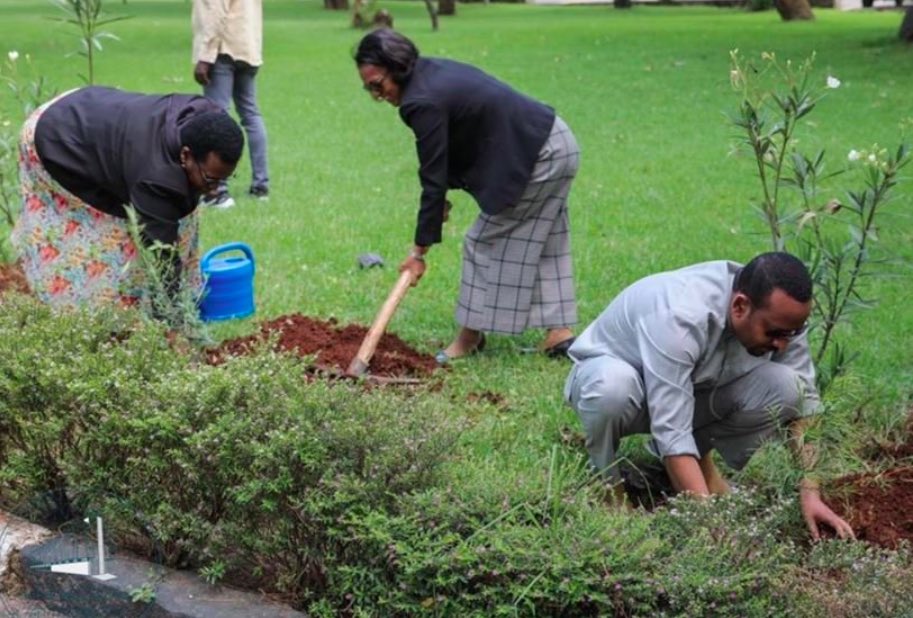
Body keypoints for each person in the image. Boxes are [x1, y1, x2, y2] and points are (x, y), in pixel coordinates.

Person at [564, 253, 855, 541]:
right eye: (775, 333)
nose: (781, 345)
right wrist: (713, 528)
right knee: (612, 389)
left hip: (684, 391)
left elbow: (807, 405)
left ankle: (697, 464)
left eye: (792, 333)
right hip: (617, 385)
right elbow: (672, 432)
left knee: (788, 387)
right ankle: (607, 483)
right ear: (740, 306)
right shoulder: (680, 316)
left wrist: (811, 494)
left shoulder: (780, 318)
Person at [354, 29, 580, 363]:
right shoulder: (427, 74)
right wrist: (441, 196)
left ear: (397, 68)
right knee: (546, 235)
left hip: (539, 155)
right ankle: (559, 333)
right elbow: (449, 147)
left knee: (481, 241)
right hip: (555, 138)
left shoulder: (421, 101)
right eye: (368, 88)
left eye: (377, 84)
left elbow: (431, 178)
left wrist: (418, 252)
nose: (377, 95)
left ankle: (469, 338)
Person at [13, 86, 243, 309]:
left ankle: (159, 306)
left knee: (169, 221)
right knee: (110, 234)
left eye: (224, 180)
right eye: (211, 180)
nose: (215, 191)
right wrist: (173, 321)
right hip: (56, 137)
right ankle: (78, 309)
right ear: (186, 155)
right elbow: (161, 254)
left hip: (89, 108)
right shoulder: (155, 175)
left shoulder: (208, 118)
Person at [192, 0, 269, 208]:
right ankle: (261, 186)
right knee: (251, 115)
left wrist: (205, 56)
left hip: (223, 49)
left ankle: (217, 192)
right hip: (248, 47)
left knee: (217, 118)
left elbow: (216, 12)